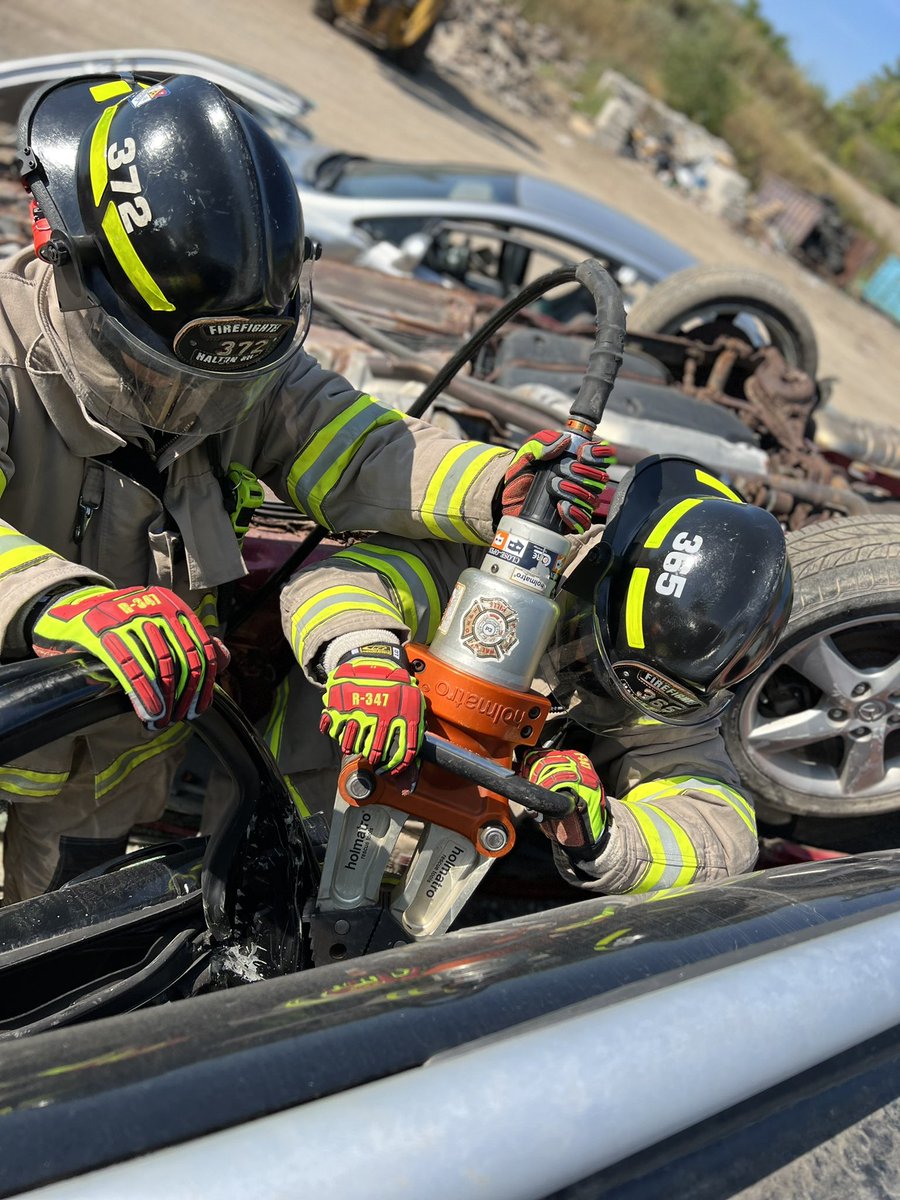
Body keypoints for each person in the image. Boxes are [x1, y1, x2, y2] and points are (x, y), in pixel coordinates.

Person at [0, 70, 611, 902]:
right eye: (166, 372)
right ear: (75, 271)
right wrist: (54, 600)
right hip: (17, 761)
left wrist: (495, 485)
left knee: (86, 942)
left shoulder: (229, 366)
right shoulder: (8, 361)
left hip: (126, 772)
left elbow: (357, 448)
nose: (204, 407)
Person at [277, 455, 793, 894]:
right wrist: (364, 656)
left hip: (423, 881)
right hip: (280, 800)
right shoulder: (499, 557)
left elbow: (723, 834)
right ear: (598, 592)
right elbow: (337, 581)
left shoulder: (667, 680)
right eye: (597, 661)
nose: (598, 687)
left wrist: (604, 831)